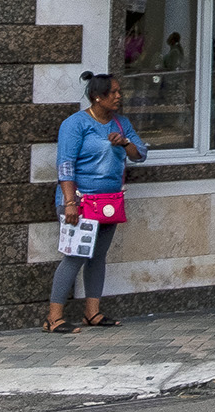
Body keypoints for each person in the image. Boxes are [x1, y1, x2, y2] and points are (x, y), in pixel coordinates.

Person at [47, 72, 147, 334]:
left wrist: (124, 142)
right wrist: (70, 202)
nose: (118, 96)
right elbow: (65, 165)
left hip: (109, 202)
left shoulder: (121, 123)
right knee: (75, 255)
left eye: (119, 92)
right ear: (97, 96)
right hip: (79, 201)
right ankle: (53, 317)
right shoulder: (76, 124)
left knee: (98, 257)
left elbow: (140, 155)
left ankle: (92, 313)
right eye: (112, 92)